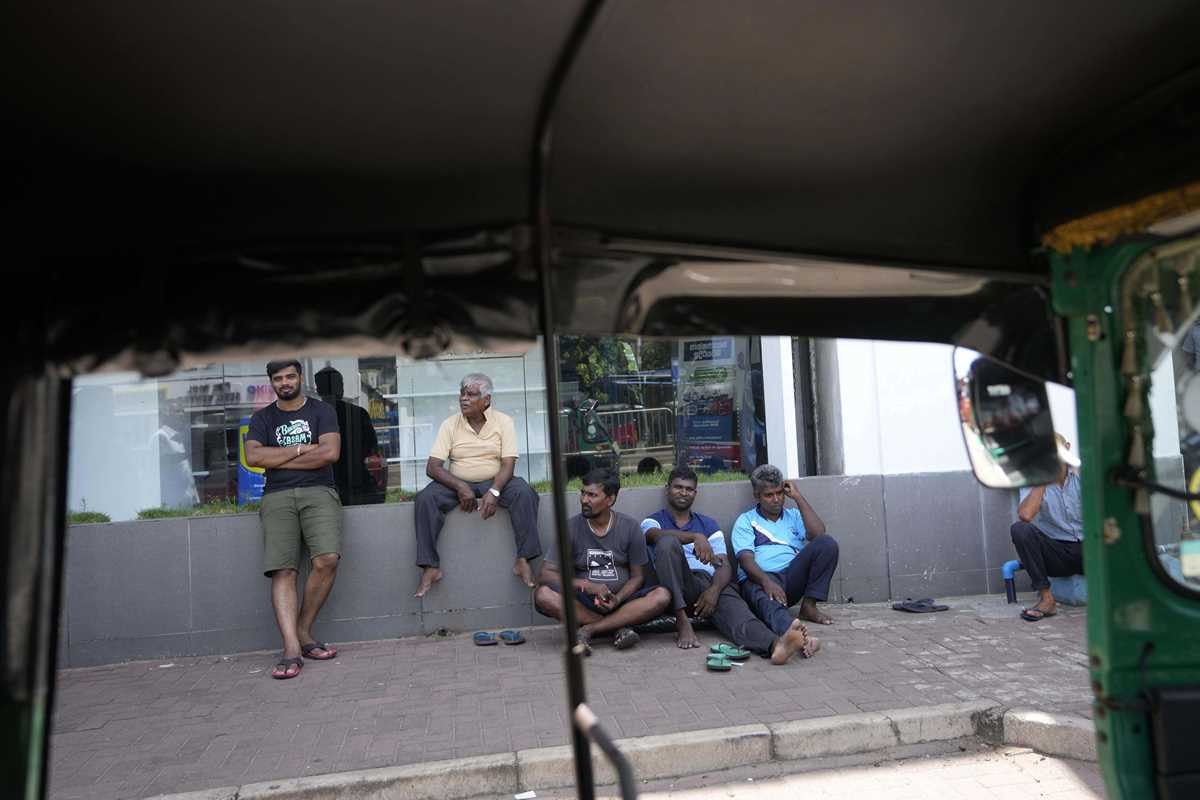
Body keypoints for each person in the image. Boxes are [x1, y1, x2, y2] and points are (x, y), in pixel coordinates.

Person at [642, 467, 818, 662]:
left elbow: (724, 565)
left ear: (695, 493)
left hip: (707, 584)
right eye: (678, 487)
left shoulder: (708, 524)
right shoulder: (654, 521)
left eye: (689, 489)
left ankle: (776, 645)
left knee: (740, 616)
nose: (683, 493)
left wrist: (714, 591)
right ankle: (682, 621)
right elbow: (654, 536)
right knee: (667, 543)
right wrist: (694, 537)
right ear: (667, 489)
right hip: (675, 587)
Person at [245, 359, 343, 679]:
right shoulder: (262, 418)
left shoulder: (322, 411)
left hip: (319, 491)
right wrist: (303, 449)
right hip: (277, 497)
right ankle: (291, 647)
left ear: (301, 378)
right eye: (278, 378)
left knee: (327, 559)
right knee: (283, 570)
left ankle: (303, 630)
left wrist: (280, 457)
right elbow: (254, 457)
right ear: (271, 382)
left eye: (290, 376)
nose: (285, 382)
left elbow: (329, 453)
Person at [414, 373, 542, 597]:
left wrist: (494, 491)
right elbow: (433, 467)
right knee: (425, 499)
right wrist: (460, 487)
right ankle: (430, 567)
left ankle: (523, 560)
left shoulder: (504, 422)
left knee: (525, 493)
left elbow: (508, 464)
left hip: (495, 479)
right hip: (456, 482)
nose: (464, 399)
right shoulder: (449, 424)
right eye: (462, 394)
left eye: (471, 394)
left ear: (487, 400)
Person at [534, 468, 671, 655]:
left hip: (623, 603)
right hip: (584, 602)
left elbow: (638, 577)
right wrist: (587, 586)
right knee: (543, 595)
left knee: (662, 596)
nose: (584, 500)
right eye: (582, 493)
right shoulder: (570, 528)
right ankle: (616, 628)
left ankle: (589, 629)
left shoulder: (630, 527)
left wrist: (618, 599)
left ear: (610, 499)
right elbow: (545, 574)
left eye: (592, 495)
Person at [732, 465, 840, 637]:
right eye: (769, 495)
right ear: (756, 496)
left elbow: (818, 534)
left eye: (779, 493)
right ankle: (792, 633)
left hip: (791, 578)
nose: (776, 499)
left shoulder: (794, 515)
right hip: (760, 579)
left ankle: (809, 606)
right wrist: (767, 582)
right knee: (769, 605)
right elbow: (746, 560)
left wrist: (798, 497)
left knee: (827, 544)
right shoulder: (746, 521)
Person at [1010, 434, 1084, 622]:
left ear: (1067, 448)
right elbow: (1025, 515)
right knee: (1020, 529)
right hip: (1057, 553)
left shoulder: (1084, 473)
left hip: (1090, 549)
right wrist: (1044, 479)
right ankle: (1047, 600)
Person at [315, 365, 386, 506]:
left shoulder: (312, 416)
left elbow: (371, 451)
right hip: (353, 481)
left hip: (331, 483)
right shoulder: (357, 413)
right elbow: (372, 449)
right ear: (340, 388)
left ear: (318, 390)